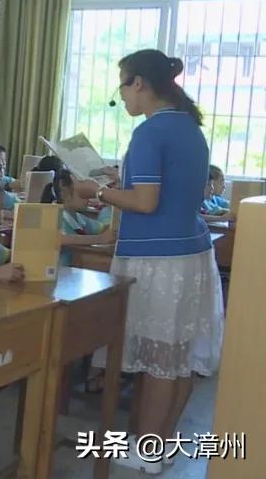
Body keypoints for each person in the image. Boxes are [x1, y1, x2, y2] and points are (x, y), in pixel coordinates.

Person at [73, 49, 223, 475]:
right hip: (191, 252)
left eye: (122, 85)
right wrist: (118, 178)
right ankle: (162, 446)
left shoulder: (150, 132)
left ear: (139, 83)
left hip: (160, 259)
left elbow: (145, 201)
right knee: (178, 358)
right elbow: (169, 190)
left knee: (160, 360)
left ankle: (148, 452)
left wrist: (97, 192)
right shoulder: (189, 127)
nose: (122, 96)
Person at [42, 169, 115, 266]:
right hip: (57, 273)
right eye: (83, 192)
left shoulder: (78, 218)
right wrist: (100, 239)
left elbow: (106, 229)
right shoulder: (51, 213)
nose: (88, 198)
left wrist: (110, 199)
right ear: (64, 191)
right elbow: (59, 238)